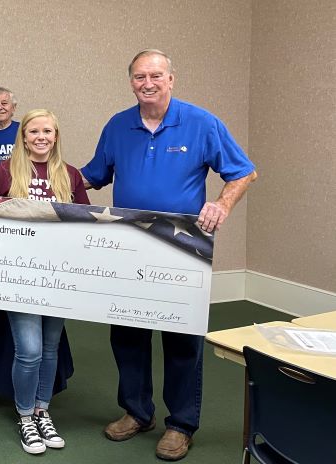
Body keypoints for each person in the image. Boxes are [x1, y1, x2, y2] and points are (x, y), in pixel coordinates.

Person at [81, 49, 257, 461]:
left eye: (156, 76)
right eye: (140, 77)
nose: (148, 83)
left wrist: (222, 205)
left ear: (171, 79)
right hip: (127, 245)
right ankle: (137, 412)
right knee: (127, 334)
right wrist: (39, 183)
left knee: (181, 339)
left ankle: (181, 424)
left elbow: (243, 171)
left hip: (182, 247)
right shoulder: (117, 126)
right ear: (131, 82)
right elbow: (91, 176)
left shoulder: (201, 122)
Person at [0, 109, 89, 455]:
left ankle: (43, 410)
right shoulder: (4, 171)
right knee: (29, 351)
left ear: (56, 136)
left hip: (58, 275)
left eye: (48, 131)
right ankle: (25, 416)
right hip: (20, 276)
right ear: (23, 136)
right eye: (34, 131)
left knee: (50, 348)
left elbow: (85, 222)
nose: (41, 137)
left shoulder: (69, 175)